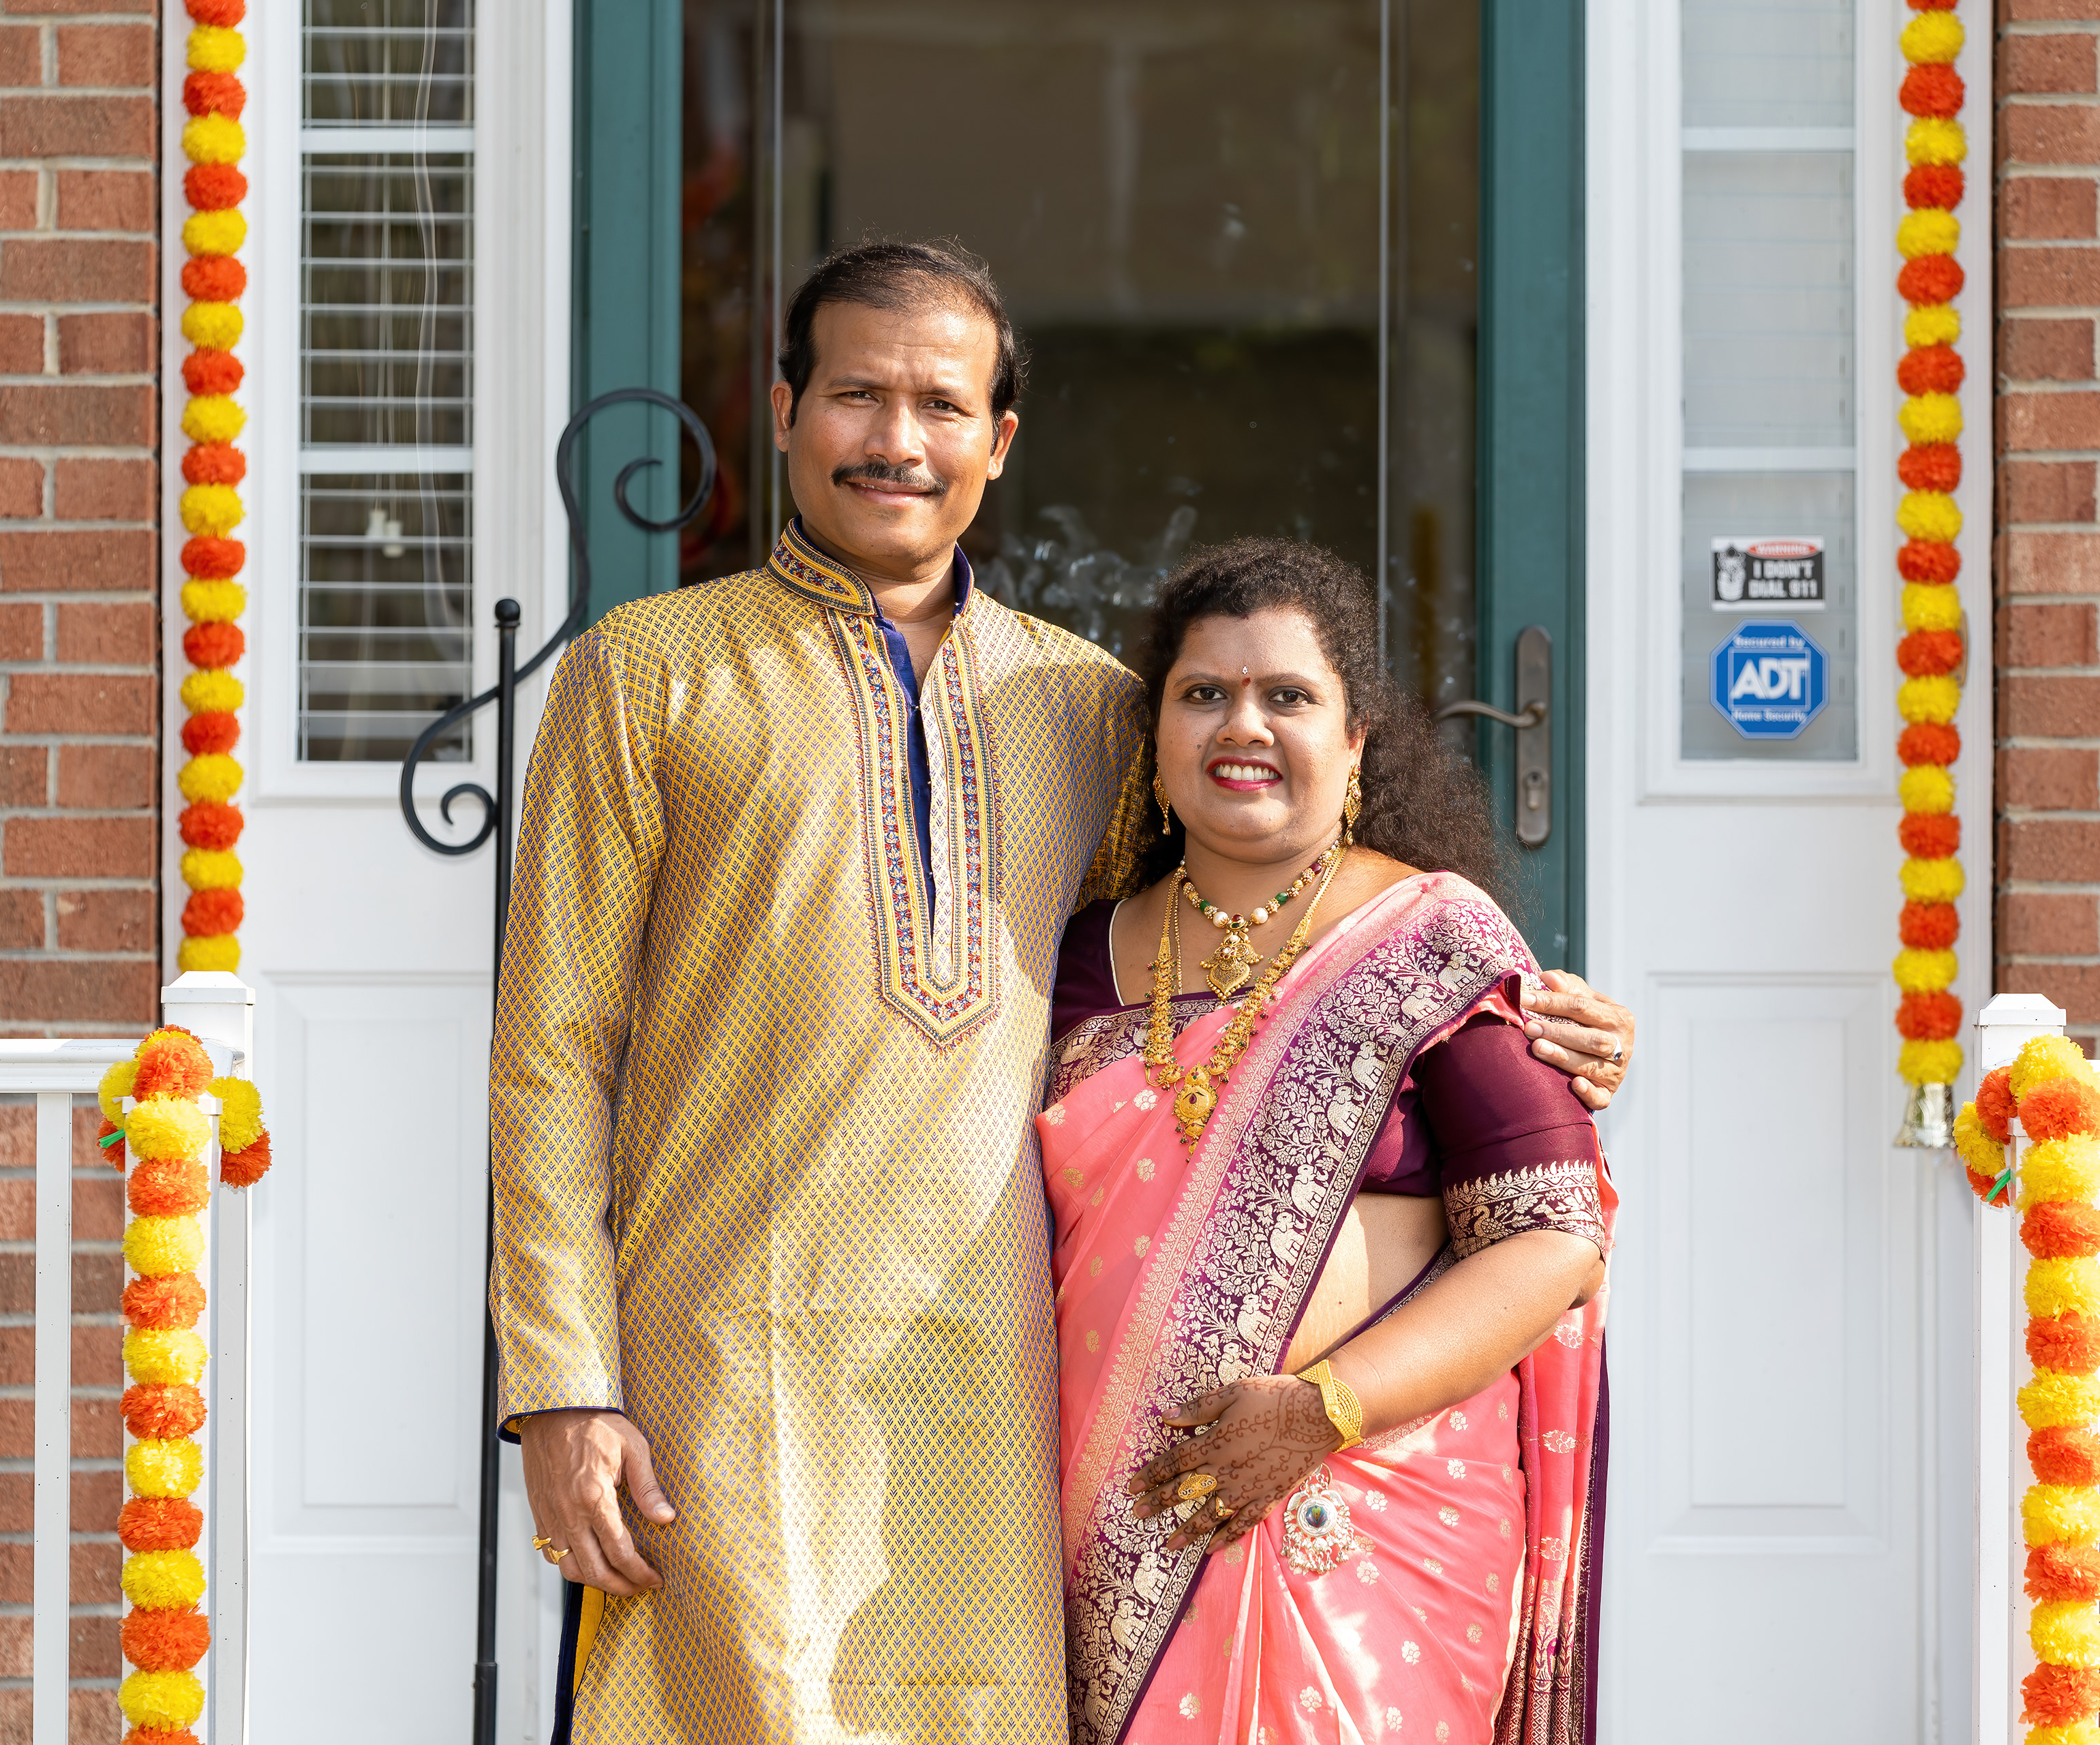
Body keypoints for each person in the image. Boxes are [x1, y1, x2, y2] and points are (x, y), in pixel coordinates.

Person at [490, 240, 1637, 1745]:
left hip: (1014, 1400)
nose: (898, 441)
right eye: (857, 396)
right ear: (783, 412)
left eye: (941, 406)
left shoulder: (1085, 704)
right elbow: (552, 1052)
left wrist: (1524, 1018)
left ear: (999, 439)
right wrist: (564, 1385)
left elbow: (1247, 946)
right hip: (722, 1363)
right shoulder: (646, 675)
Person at [1041, 539, 1613, 1745]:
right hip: (1104, 1534)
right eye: (1204, 693)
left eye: (1289, 696)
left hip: (1366, 1530)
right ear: (1157, 738)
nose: (1242, 725)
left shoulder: (1432, 941)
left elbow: (1552, 1239)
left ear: (1355, 744)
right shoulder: (1075, 960)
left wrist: (1321, 1410)